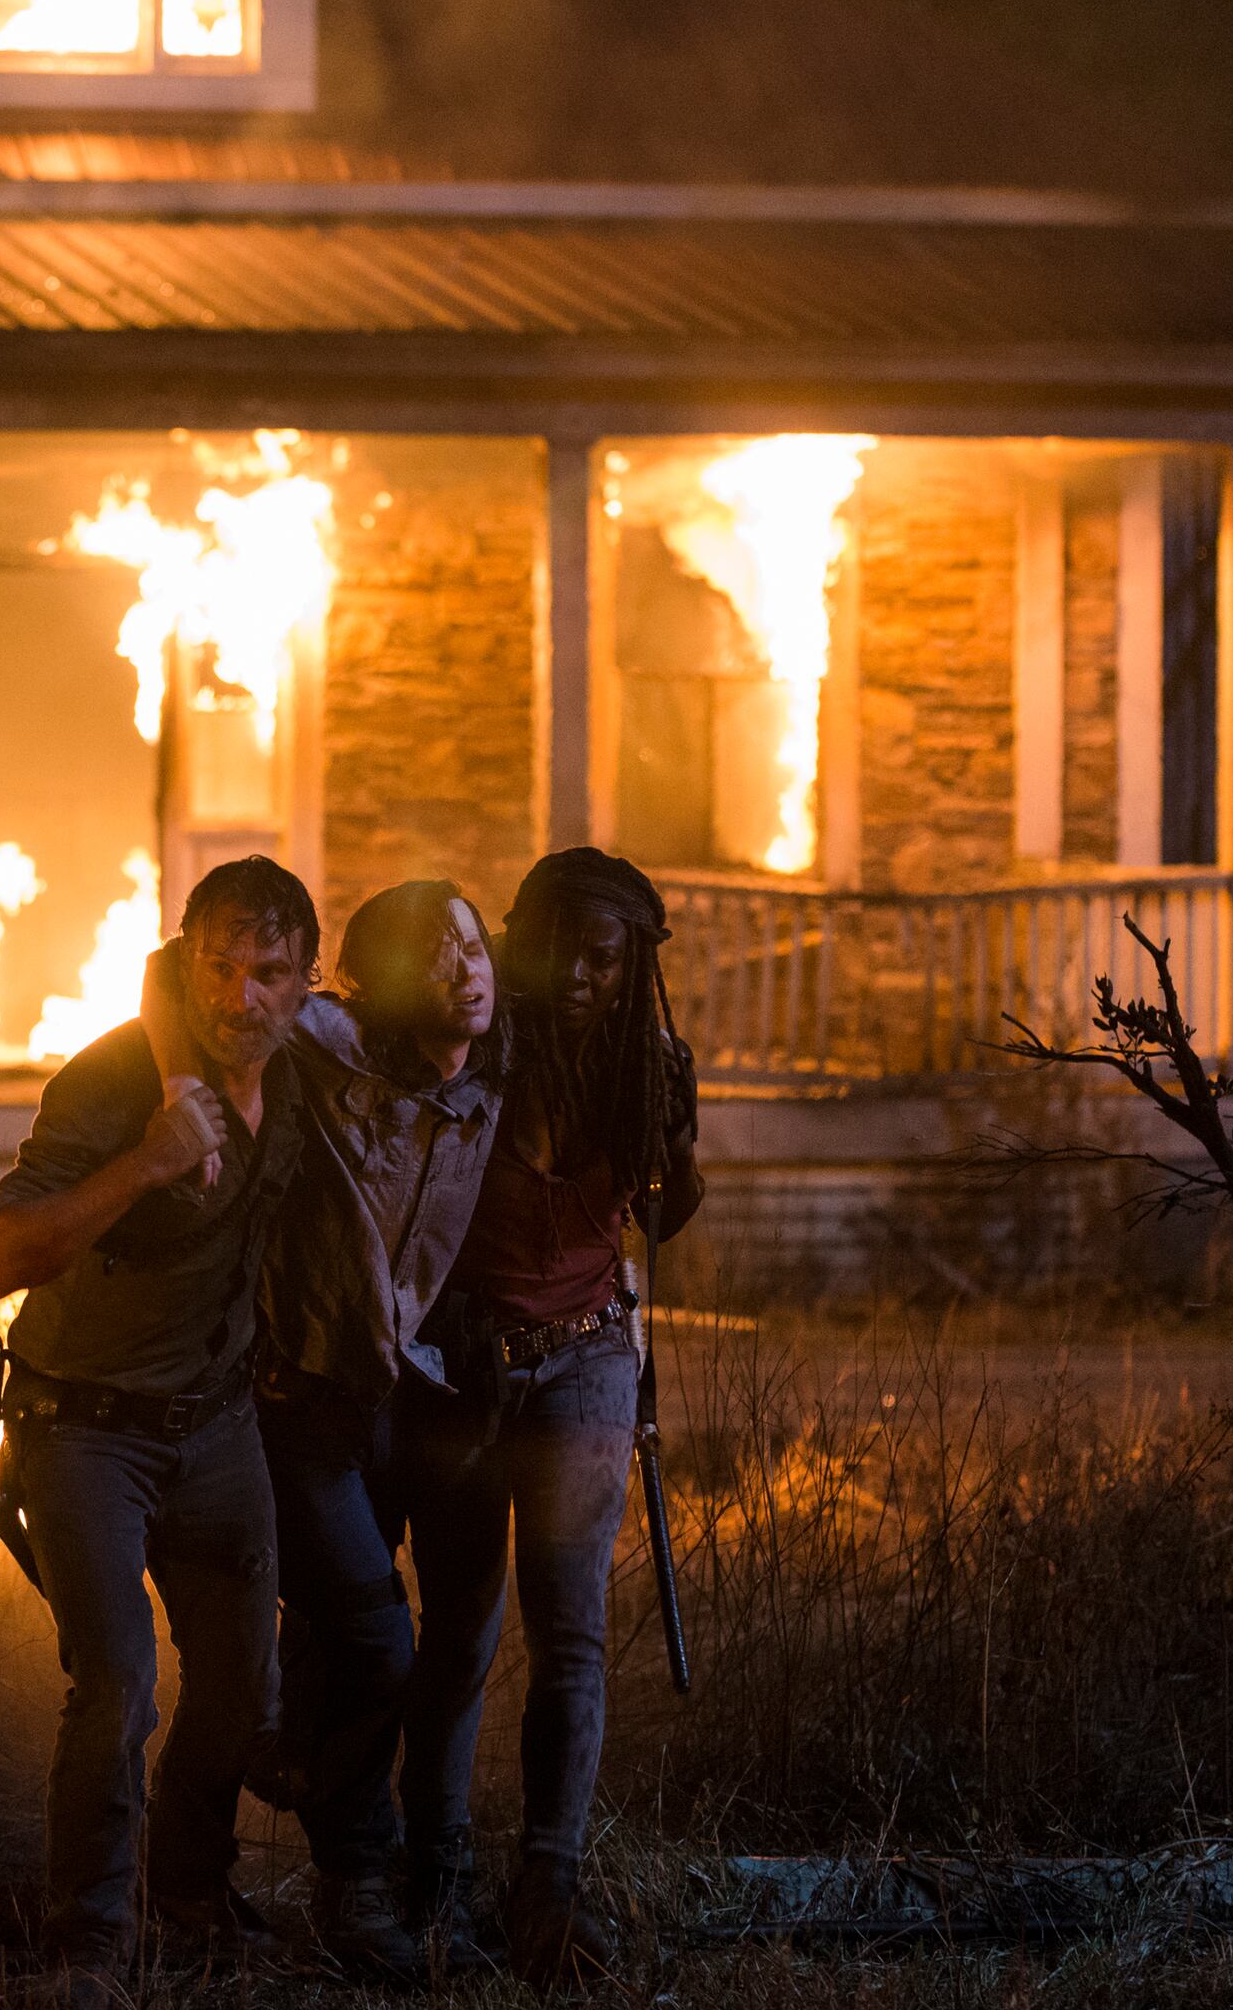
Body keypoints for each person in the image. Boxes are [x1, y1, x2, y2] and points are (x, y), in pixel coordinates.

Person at [0, 856, 319, 2001]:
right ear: (187, 960)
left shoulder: (305, 1075)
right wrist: (148, 1162)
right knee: (117, 1680)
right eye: (219, 965)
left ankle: (187, 1899)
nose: (241, 996)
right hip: (85, 1427)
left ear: (306, 985)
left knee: (238, 1671)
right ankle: (87, 1943)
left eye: (269, 972)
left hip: (218, 1426)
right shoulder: (114, 1082)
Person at [397, 848, 704, 1983]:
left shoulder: (645, 1065)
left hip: (584, 1361)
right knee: (461, 1628)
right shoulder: (472, 1044)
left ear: (633, 968)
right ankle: (434, 1884)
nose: (576, 974)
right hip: (463, 1371)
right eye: (558, 948)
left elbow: (667, 1216)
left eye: (603, 957)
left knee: (569, 1632)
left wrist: (677, 1130)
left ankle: (550, 1892)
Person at [250, 879, 506, 1986]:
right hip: (309, 1394)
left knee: (452, 1640)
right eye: (438, 948)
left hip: (436, 1390)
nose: (469, 964)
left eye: (476, 938)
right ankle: (355, 1879)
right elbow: (177, 981)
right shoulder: (325, 1046)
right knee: (367, 1637)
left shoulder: (504, 1063)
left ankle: (426, 1870)